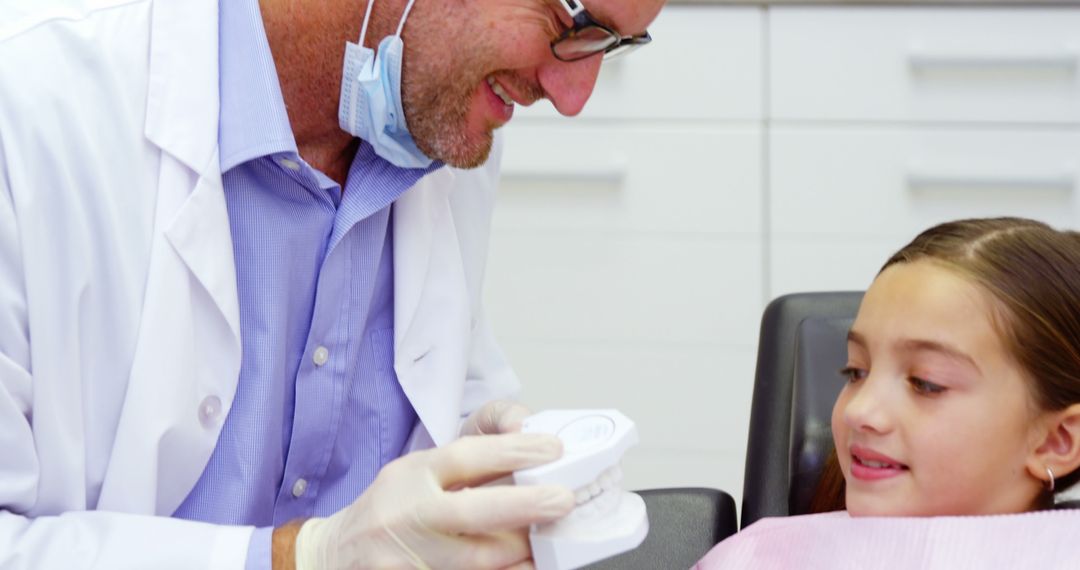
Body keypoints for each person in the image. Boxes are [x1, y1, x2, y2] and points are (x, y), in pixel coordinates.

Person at [0, 0, 664, 568]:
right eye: (573, 23)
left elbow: (423, 409)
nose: (574, 96)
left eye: (617, 44)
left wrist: (476, 477)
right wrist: (304, 556)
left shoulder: (435, 116)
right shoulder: (30, 98)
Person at [697, 217, 1080, 568]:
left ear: (1057, 441)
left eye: (926, 383)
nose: (859, 412)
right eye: (855, 372)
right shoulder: (762, 558)